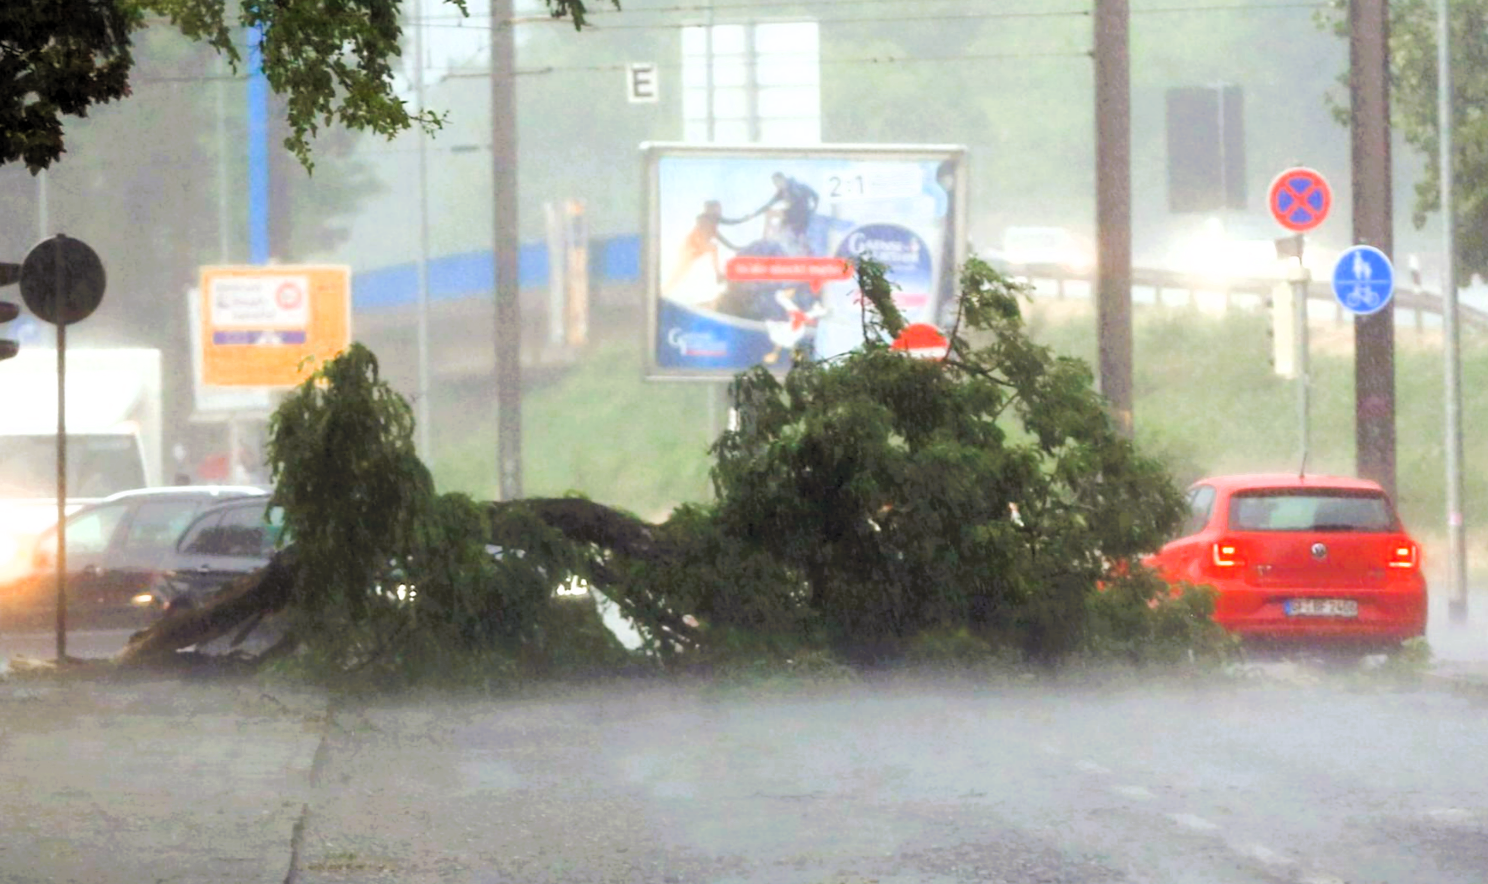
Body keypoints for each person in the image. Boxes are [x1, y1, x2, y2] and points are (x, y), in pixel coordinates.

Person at [662, 200, 746, 298]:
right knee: (678, 273)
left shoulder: (713, 227)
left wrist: (738, 247)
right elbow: (726, 223)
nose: (718, 214)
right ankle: (718, 274)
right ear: (709, 211)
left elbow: (727, 236)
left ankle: (664, 291)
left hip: (696, 251)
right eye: (716, 210)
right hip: (690, 248)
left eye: (719, 211)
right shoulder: (704, 220)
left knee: (680, 274)